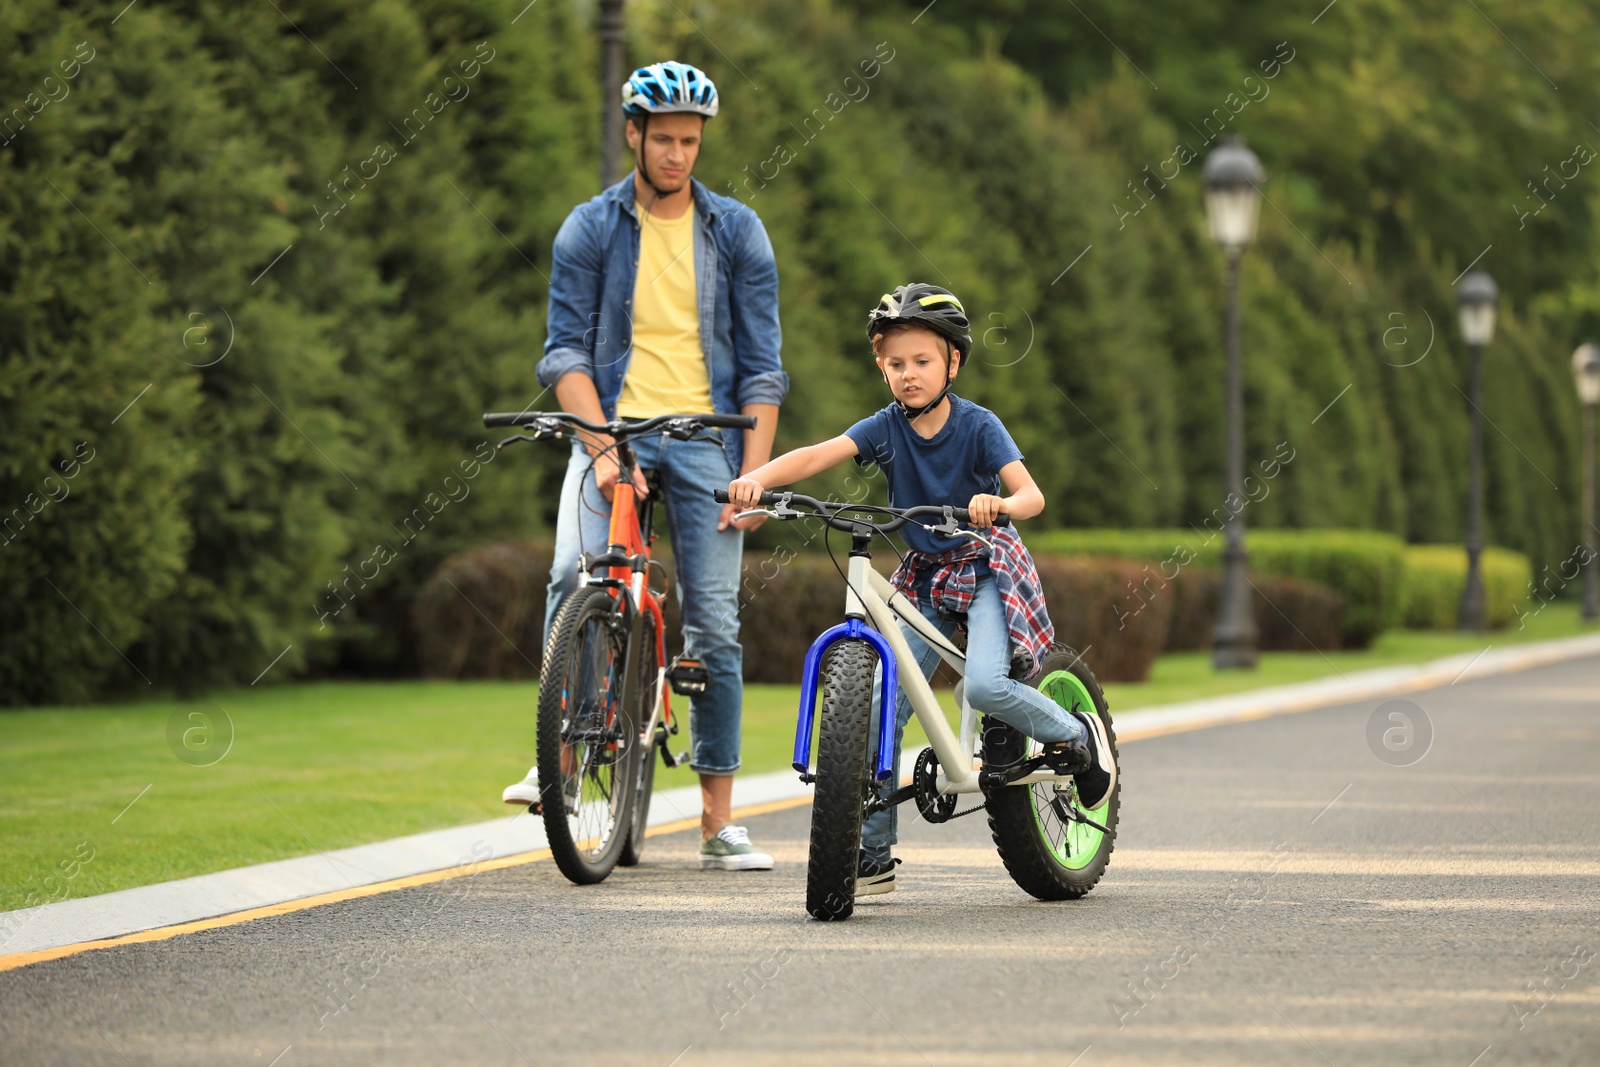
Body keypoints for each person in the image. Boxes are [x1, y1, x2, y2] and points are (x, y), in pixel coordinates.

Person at [725, 283, 1114, 895]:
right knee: (882, 708)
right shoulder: (885, 428)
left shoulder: (980, 426)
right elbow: (818, 453)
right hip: (926, 577)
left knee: (984, 685)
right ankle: (873, 855)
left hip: (984, 564)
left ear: (952, 363)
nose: (908, 375)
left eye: (922, 361)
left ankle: (1073, 735)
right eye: (895, 364)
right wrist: (754, 480)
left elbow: (1032, 497)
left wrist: (998, 502)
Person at [501, 61, 788, 872]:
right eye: (662, 138)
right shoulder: (590, 228)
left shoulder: (737, 233)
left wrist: (755, 475)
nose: (675, 154)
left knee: (716, 628)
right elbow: (563, 352)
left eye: (689, 141)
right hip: (613, 430)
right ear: (633, 133)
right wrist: (600, 450)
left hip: (707, 438)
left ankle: (717, 822)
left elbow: (764, 369)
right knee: (572, 572)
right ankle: (561, 760)